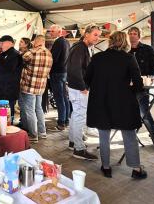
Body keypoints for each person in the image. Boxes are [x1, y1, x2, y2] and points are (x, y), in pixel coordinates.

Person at [85, 31, 147, 179]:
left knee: (104, 136)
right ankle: (136, 169)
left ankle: (106, 167)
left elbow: (87, 79)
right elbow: (138, 84)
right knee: (129, 134)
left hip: (101, 102)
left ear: (110, 41)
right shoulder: (129, 58)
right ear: (125, 42)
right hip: (123, 102)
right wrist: (129, 88)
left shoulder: (97, 58)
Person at [66, 23, 100, 160]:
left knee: (76, 115)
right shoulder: (80, 48)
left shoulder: (82, 47)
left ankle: (73, 141)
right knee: (80, 116)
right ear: (86, 34)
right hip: (79, 88)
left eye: (98, 35)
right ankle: (79, 149)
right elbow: (74, 69)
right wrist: (83, 87)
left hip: (76, 87)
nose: (97, 38)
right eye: (95, 35)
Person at [128, 26, 154, 148]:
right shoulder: (125, 50)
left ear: (139, 36)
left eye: (135, 33)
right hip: (127, 88)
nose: (132, 35)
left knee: (144, 112)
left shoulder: (148, 49)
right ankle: (131, 137)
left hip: (142, 87)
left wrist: (151, 79)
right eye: (130, 33)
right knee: (128, 112)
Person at [19, 35, 52, 143]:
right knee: (39, 108)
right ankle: (42, 132)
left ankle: (33, 135)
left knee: (30, 110)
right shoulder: (49, 53)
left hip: (29, 86)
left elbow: (20, 60)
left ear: (35, 42)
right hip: (41, 86)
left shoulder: (31, 52)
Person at [0, 35, 23, 121]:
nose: (0, 45)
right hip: (0, 88)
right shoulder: (4, 54)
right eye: (0, 43)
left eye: (2, 43)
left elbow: (9, 68)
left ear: (9, 43)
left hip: (8, 89)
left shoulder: (15, 54)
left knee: (7, 111)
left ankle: (7, 126)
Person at [48, 24, 70, 131]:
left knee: (59, 98)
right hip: (64, 72)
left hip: (57, 73)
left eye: (52, 31)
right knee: (64, 97)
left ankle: (61, 123)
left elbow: (53, 59)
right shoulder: (66, 41)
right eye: (50, 31)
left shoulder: (58, 42)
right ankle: (66, 120)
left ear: (59, 32)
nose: (50, 33)